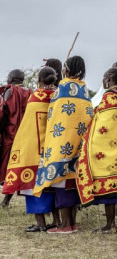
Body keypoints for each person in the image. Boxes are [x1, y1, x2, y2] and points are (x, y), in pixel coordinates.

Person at [33, 56, 92, 234]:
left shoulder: (64, 87)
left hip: (62, 142)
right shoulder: (84, 88)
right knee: (71, 185)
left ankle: (65, 225)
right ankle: (71, 223)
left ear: (66, 69)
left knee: (61, 184)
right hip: (79, 143)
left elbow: (56, 115)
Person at [75, 67, 117, 232]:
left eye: (104, 76)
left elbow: (101, 128)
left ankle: (110, 224)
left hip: (106, 153)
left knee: (110, 192)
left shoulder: (108, 98)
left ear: (109, 78)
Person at [2, 67, 59, 231]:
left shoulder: (35, 98)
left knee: (33, 186)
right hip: (52, 150)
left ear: (39, 80)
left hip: (33, 149)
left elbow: (27, 126)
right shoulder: (57, 97)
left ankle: (40, 223)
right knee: (53, 186)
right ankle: (56, 220)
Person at [0, 69, 32, 207]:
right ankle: (6, 201)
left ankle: (6, 201)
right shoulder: (30, 92)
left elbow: (2, 112)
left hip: (10, 135)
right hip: (27, 135)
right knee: (20, 168)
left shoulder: (9, 91)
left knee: (9, 168)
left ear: (11, 78)